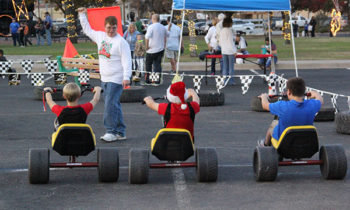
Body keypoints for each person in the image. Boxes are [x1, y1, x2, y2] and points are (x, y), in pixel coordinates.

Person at [78, 7, 132, 142]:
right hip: (105, 77)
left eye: (114, 28)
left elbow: (127, 61)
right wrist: (82, 15)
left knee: (109, 104)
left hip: (116, 78)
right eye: (109, 28)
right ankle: (120, 131)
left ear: (117, 27)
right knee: (114, 105)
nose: (111, 30)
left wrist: (127, 77)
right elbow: (87, 30)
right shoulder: (100, 36)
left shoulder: (121, 42)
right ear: (105, 27)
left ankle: (111, 131)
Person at [257, 77, 323, 147]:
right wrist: (315, 93)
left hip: (284, 146)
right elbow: (320, 100)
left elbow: (265, 105)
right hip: (307, 145)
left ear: (289, 92)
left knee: (274, 124)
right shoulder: (312, 104)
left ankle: (265, 144)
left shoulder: (282, 105)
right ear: (304, 91)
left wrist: (264, 97)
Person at [145, 14, 167, 85]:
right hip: (160, 49)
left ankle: (148, 80)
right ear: (159, 19)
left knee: (148, 65)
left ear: (153, 19)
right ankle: (156, 80)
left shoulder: (151, 27)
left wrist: (147, 46)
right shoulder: (163, 27)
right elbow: (167, 35)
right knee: (157, 65)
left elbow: (147, 37)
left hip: (151, 50)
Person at [219, 16, 236, 85]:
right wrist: (234, 51)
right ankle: (231, 81)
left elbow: (220, 42)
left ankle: (224, 81)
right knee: (231, 67)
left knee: (225, 67)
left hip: (224, 51)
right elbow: (231, 42)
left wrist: (223, 47)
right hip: (230, 51)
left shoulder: (221, 31)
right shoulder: (229, 30)